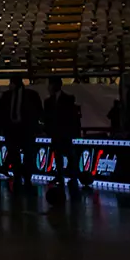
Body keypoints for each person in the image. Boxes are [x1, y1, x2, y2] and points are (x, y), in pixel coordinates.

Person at [42, 77, 88, 205]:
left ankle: (72, 176)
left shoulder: (68, 99)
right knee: (57, 155)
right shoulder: (48, 101)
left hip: (65, 133)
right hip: (54, 134)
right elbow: (47, 118)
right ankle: (60, 176)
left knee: (69, 154)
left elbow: (71, 117)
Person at [2, 78, 43, 185]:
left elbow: (38, 110)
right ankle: (17, 175)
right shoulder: (6, 96)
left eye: (11, 83)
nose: (9, 85)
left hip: (27, 130)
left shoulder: (31, 95)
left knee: (28, 154)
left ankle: (27, 176)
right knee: (14, 154)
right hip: (11, 130)